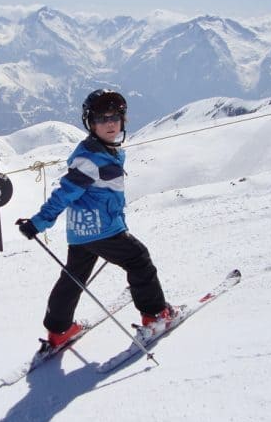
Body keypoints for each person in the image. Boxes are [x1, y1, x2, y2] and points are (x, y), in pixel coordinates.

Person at [16, 89, 177, 348]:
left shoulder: (101, 151)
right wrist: (39, 222)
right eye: (102, 119)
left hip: (80, 231)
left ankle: (59, 330)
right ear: (91, 123)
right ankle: (155, 315)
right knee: (139, 260)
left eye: (115, 117)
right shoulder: (91, 159)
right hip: (102, 230)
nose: (110, 123)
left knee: (73, 277)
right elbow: (65, 194)